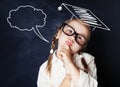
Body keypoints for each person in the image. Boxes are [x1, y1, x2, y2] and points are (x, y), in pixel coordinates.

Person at [37, 18, 98, 87]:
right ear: (58, 33)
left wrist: (69, 62)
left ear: (82, 47)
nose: (72, 37)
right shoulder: (44, 68)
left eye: (80, 37)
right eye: (70, 31)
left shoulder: (88, 59)